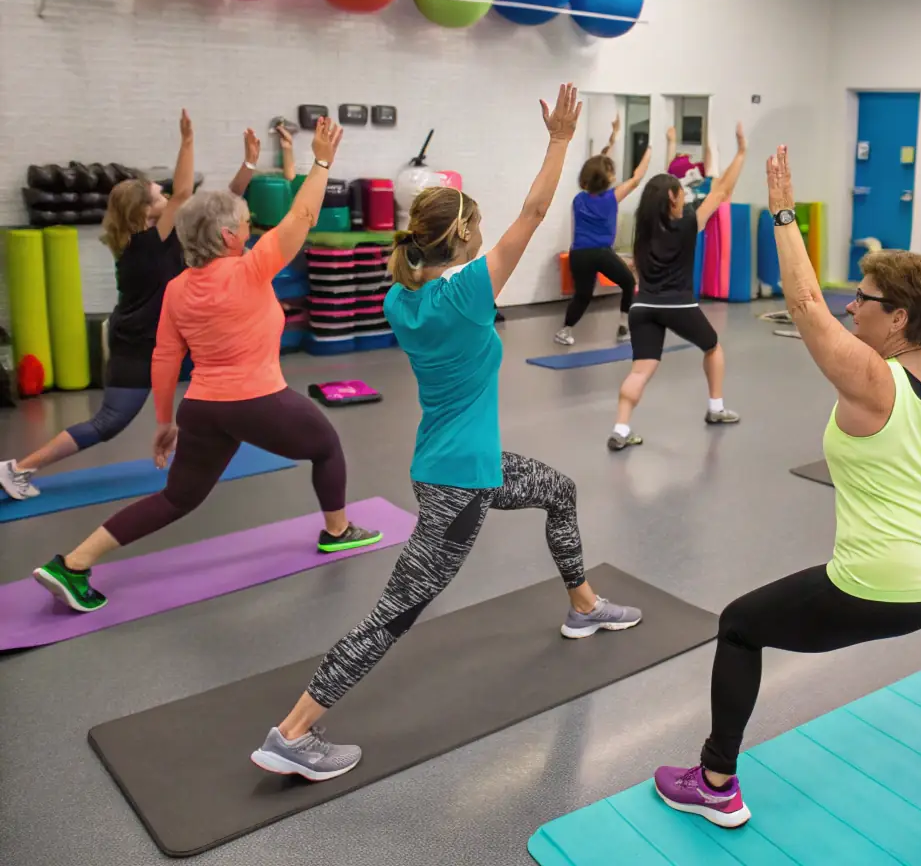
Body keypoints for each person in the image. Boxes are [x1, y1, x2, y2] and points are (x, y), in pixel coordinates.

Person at [653, 146, 921, 830]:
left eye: (864, 300)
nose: (850, 305)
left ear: (900, 321)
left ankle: (714, 781)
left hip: (877, 583)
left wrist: (784, 213)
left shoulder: (868, 379)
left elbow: (801, 304)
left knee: (738, 626)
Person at [250, 85, 642, 782]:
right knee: (393, 615)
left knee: (558, 490)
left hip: (457, 464)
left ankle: (582, 606)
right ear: (462, 238)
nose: (486, 234)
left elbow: (498, 233)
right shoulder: (465, 296)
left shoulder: (400, 297)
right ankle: (293, 731)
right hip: (458, 484)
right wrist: (558, 140)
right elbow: (532, 212)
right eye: (476, 227)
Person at [31, 119, 380, 613]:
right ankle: (338, 531)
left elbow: (166, 357)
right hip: (256, 401)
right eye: (245, 224)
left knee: (177, 498)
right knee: (326, 448)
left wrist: (163, 421)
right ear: (226, 235)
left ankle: (73, 563)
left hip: (202, 409)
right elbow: (303, 214)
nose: (250, 229)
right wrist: (322, 162)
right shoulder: (251, 268)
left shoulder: (178, 287)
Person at [0, 114, 277, 501]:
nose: (169, 198)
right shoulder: (145, 243)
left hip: (166, 340)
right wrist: (187, 140)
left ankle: (210, 449)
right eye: (159, 197)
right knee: (109, 423)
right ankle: (17, 468)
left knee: (216, 386)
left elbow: (222, 205)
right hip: (139, 345)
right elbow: (183, 192)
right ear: (144, 211)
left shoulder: (162, 237)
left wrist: (248, 164)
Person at [608, 124, 746, 451]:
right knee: (713, 347)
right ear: (672, 198)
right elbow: (722, 189)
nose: (685, 198)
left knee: (641, 370)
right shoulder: (687, 225)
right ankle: (715, 408)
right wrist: (741, 152)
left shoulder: (642, 231)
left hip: (642, 308)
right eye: (681, 194)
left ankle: (621, 428)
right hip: (678, 305)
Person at [554, 114, 652, 347]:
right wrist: (649, 148)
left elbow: (598, 166)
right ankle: (622, 327)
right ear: (605, 179)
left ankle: (565, 331)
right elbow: (637, 178)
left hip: (579, 254)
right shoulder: (611, 198)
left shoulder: (579, 200)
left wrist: (614, 137)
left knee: (583, 295)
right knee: (629, 282)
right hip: (599, 252)